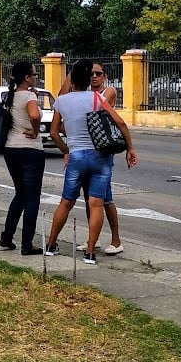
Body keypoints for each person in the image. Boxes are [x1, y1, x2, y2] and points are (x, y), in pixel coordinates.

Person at [44, 59, 138, 264]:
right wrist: (130, 148)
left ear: (71, 79)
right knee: (96, 204)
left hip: (76, 157)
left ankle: (51, 245)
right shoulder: (96, 98)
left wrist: (66, 150)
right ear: (88, 79)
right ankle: (90, 252)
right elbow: (119, 122)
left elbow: (54, 133)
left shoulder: (61, 102)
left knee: (66, 202)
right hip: (99, 157)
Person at [58, 62, 124, 254]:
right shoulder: (86, 95)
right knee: (90, 199)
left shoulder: (107, 93)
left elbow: (90, 114)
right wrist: (72, 73)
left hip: (102, 153)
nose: (94, 76)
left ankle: (116, 240)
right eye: (91, 73)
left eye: (98, 73)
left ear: (105, 76)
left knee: (105, 199)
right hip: (86, 152)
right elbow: (62, 98)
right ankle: (92, 240)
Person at [0, 60, 45, 255]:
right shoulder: (28, 96)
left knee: (20, 194)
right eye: (34, 74)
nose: (36, 77)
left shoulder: (10, 96)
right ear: (26, 78)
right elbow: (34, 116)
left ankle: (7, 236)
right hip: (30, 150)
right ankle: (27, 244)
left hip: (11, 148)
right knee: (32, 198)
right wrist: (35, 131)